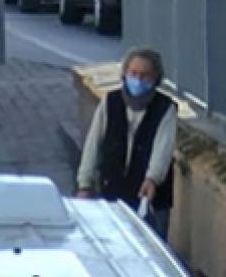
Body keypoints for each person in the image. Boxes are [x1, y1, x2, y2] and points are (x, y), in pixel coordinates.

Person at [76, 47, 177, 237]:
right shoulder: (111, 102)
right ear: (125, 74)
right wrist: (85, 183)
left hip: (149, 197)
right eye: (134, 73)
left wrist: (152, 178)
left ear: (156, 78)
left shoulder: (165, 109)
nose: (138, 80)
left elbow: (162, 150)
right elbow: (93, 143)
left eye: (145, 75)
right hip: (112, 190)